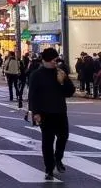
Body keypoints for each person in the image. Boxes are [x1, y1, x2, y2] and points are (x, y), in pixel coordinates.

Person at [27, 47, 75, 179]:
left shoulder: (60, 72)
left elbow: (70, 92)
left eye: (57, 60)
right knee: (47, 141)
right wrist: (35, 112)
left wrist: (63, 81)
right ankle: (49, 168)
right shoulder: (36, 75)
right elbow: (33, 95)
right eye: (54, 60)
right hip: (45, 113)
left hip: (60, 111)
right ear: (46, 60)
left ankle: (58, 158)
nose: (56, 62)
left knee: (64, 136)